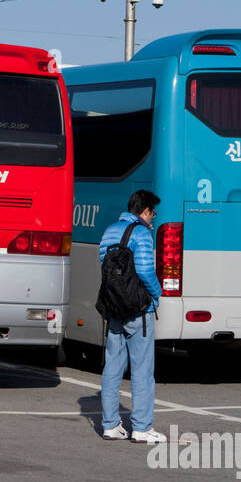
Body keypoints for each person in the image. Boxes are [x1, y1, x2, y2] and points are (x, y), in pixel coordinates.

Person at [98, 189, 166, 443]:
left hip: (114, 309)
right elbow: (146, 270)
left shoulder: (109, 232)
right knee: (142, 370)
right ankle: (141, 427)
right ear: (145, 211)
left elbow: (104, 268)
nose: (154, 218)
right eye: (153, 213)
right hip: (139, 311)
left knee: (112, 368)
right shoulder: (141, 233)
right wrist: (157, 294)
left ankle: (110, 425)